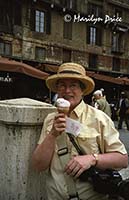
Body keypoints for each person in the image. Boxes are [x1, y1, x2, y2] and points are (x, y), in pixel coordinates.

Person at [32, 63, 128, 200]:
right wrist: (53, 134)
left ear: (82, 90)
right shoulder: (50, 119)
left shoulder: (99, 119)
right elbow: (38, 165)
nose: (67, 91)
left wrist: (92, 159)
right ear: (57, 90)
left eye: (73, 85)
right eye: (62, 85)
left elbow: (122, 160)